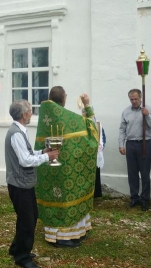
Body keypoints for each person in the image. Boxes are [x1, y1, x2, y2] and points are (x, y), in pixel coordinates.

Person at [35, 86, 99, 248]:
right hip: (65, 169)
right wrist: (87, 105)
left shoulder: (44, 117)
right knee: (66, 197)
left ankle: (66, 232)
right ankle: (62, 236)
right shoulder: (69, 120)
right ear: (64, 98)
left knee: (55, 195)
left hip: (48, 168)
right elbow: (92, 129)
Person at [5, 99, 59, 268]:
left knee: (29, 217)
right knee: (27, 221)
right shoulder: (16, 133)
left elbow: (27, 153)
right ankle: (22, 257)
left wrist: (42, 151)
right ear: (23, 114)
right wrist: (47, 157)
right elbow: (25, 161)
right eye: (29, 111)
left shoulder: (20, 131)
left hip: (23, 184)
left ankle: (16, 248)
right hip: (20, 185)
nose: (31, 114)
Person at [118, 89, 151, 211]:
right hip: (131, 144)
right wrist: (121, 144)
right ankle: (134, 197)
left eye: (136, 99)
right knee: (132, 173)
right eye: (131, 99)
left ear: (141, 98)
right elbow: (122, 129)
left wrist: (147, 115)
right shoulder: (126, 112)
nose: (134, 101)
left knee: (145, 173)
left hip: (145, 144)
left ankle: (145, 199)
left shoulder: (148, 110)